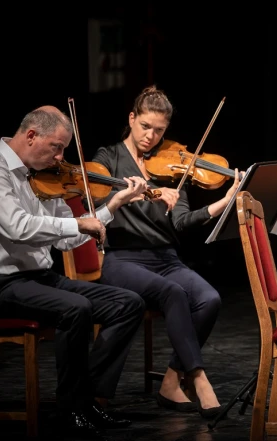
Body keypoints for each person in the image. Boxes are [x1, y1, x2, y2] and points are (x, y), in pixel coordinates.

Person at [0, 106, 149, 438]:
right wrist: (78, 223)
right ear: (31, 135)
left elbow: (66, 240)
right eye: (56, 147)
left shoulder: (45, 176)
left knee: (128, 304)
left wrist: (112, 205)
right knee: (75, 308)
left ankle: (88, 400)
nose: (60, 157)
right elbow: (17, 228)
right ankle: (69, 409)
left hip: (40, 279)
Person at [91, 85, 241, 419]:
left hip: (165, 259)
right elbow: (96, 199)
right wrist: (141, 192)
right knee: (172, 292)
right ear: (132, 118)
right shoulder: (109, 157)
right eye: (145, 126)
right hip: (122, 258)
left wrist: (225, 200)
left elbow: (183, 221)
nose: (151, 136)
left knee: (209, 298)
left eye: (159, 130)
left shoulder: (172, 165)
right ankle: (198, 378)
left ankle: (172, 379)